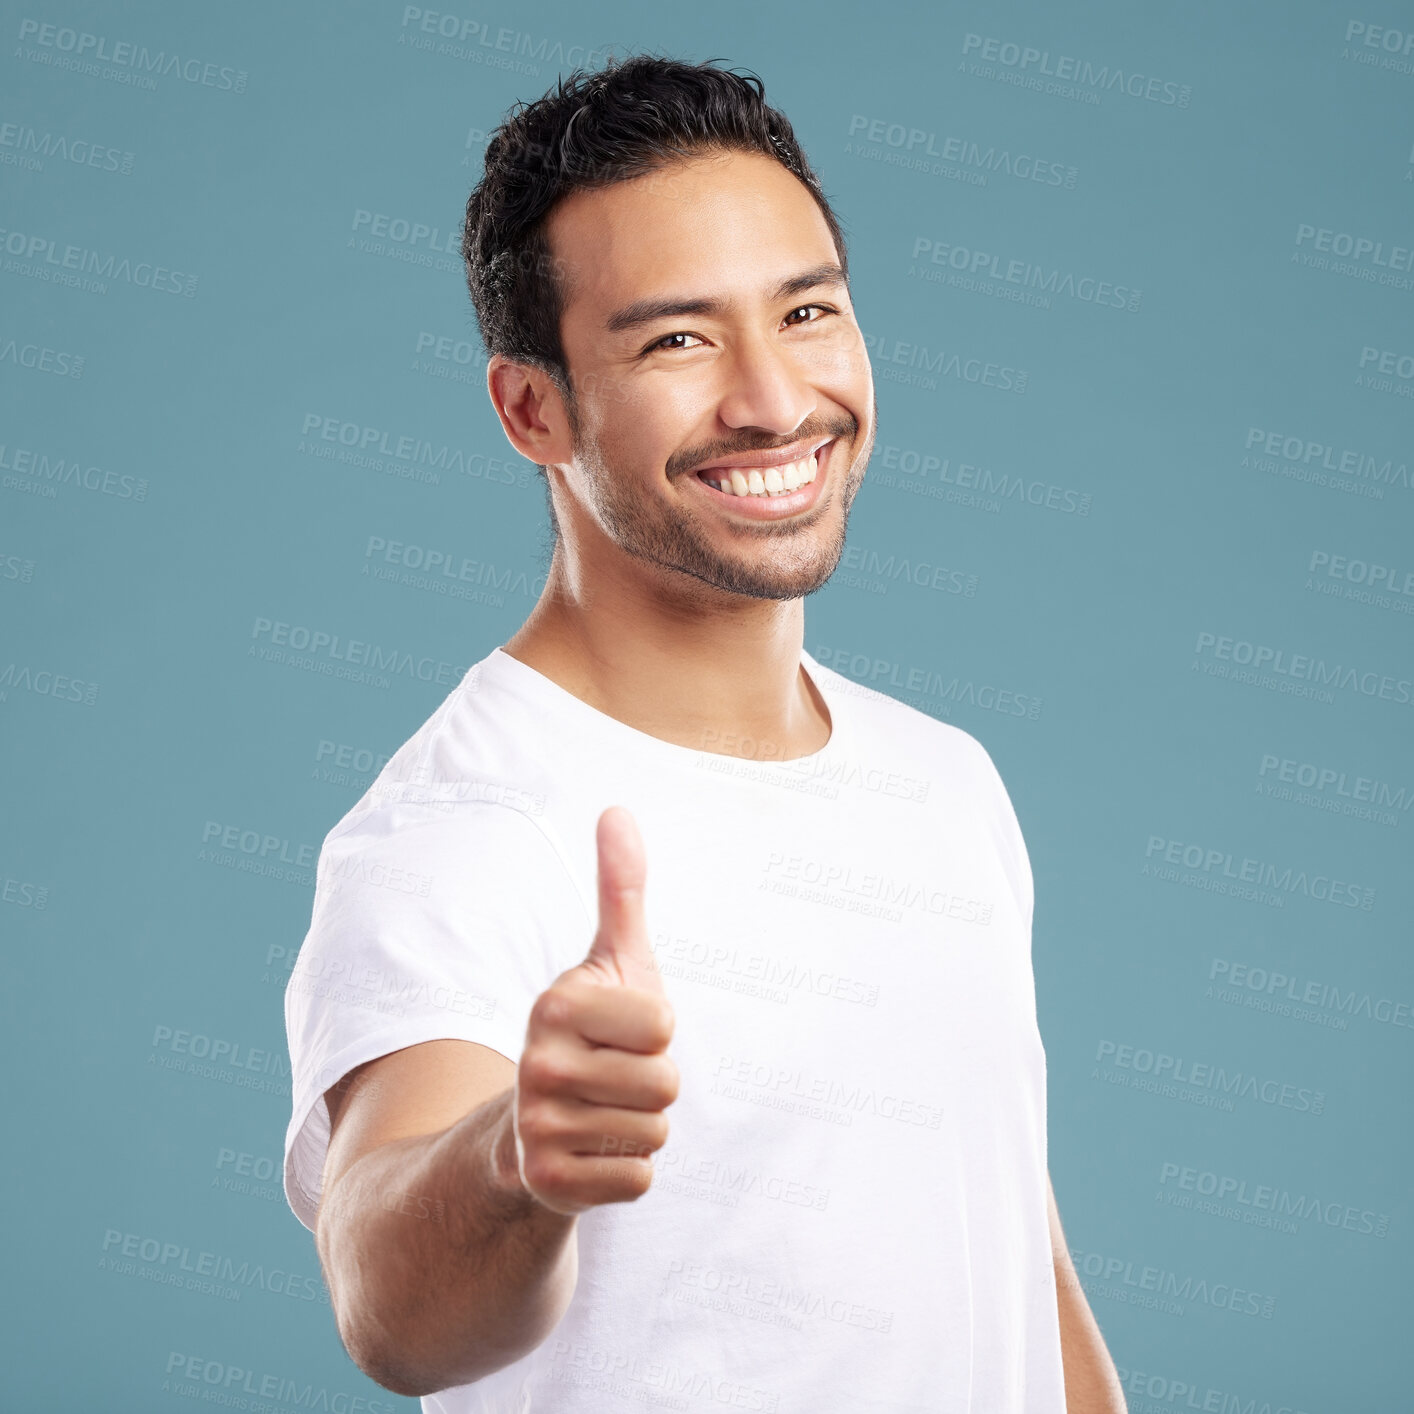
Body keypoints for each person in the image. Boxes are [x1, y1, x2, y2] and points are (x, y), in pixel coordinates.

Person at [282, 52, 1126, 1414]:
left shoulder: (942, 780)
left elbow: (1016, 1263)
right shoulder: (465, 829)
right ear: (530, 408)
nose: (773, 399)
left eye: (805, 311)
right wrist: (513, 1156)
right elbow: (391, 1305)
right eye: (676, 340)